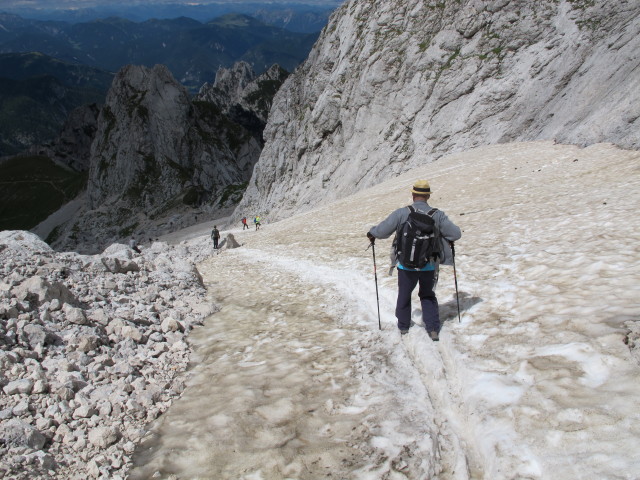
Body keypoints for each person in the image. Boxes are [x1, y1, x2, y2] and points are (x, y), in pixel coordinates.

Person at [367, 180, 461, 341]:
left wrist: (372, 233)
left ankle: (403, 326)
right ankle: (432, 329)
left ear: (413, 194)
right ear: (428, 196)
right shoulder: (437, 215)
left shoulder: (402, 213)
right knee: (427, 295)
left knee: (404, 294)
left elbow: (382, 232)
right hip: (429, 265)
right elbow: (455, 234)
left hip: (405, 265)